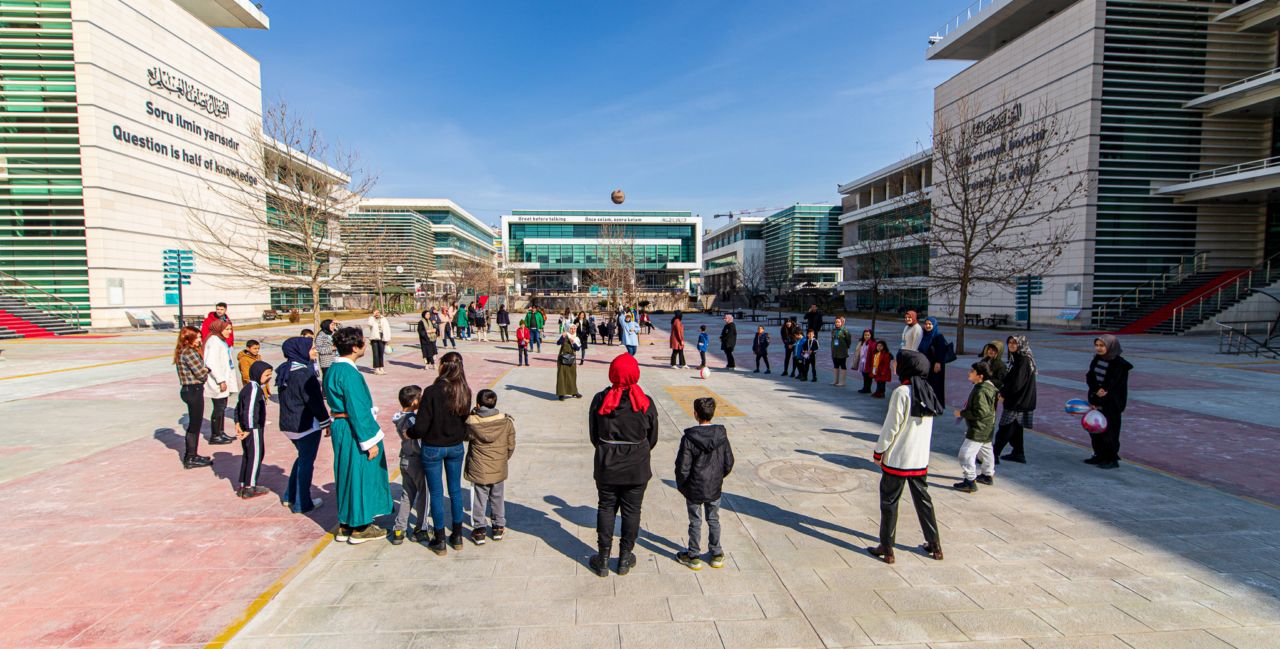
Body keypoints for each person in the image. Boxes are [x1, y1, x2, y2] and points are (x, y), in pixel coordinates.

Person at [868, 350, 944, 564]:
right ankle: (934, 544)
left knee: (889, 501)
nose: (894, 364)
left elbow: (890, 427)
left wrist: (879, 451)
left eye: (896, 362)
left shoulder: (902, 392)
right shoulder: (927, 390)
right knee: (923, 501)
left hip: (899, 459)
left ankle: (887, 546)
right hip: (919, 459)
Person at [588, 353, 659, 577]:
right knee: (632, 511)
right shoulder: (644, 402)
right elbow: (652, 438)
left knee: (606, 507)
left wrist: (609, 449)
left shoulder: (600, 399)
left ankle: (603, 558)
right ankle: (625, 558)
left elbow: (594, 435)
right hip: (636, 466)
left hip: (607, 465)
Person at [324, 327, 393, 545]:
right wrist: (370, 441)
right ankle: (361, 525)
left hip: (342, 425)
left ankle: (347, 522)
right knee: (360, 475)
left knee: (346, 474)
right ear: (355, 347)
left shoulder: (334, 369)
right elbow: (357, 409)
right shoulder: (349, 374)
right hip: (354, 428)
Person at [410, 351, 472, 555]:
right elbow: (464, 421)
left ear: (444, 366)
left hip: (433, 447)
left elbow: (420, 427)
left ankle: (439, 538)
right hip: (455, 446)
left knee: (436, 492)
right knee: (455, 491)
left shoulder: (432, 391)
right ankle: (457, 535)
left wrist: (408, 432)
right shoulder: (464, 391)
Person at [674, 397, 734, 571]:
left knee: (695, 521)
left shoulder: (689, 438)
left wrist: (683, 485)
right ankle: (716, 553)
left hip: (694, 487)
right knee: (714, 519)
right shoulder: (721, 436)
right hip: (714, 487)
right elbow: (729, 462)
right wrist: (718, 477)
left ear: (695, 414)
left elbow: (682, 467)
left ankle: (694, 555)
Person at [276, 336, 330, 514]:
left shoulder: (286, 370)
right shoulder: (305, 374)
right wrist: (325, 422)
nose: (315, 351)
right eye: (312, 348)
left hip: (288, 424)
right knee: (306, 463)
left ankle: (289, 496)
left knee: (302, 458)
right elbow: (314, 401)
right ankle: (302, 503)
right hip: (304, 425)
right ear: (300, 351)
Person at [464, 389, 516, 545]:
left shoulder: (471, 423)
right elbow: (511, 445)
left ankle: (479, 529)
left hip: (479, 466)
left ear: (478, 404)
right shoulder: (506, 422)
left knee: (479, 498)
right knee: (498, 496)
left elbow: (465, 437)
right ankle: (498, 526)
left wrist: (473, 413)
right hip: (498, 465)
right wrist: (503, 459)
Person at [1086, 334, 1131, 470]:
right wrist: (1095, 391)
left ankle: (1111, 458)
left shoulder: (1119, 364)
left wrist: (1102, 392)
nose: (1099, 348)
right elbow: (1090, 376)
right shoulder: (1097, 359)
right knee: (1095, 430)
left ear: (1111, 346)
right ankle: (1099, 455)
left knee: (1110, 431)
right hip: (1097, 399)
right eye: (1097, 345)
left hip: (1112, 403)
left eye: (1102, 345)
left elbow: (1113, 383)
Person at [389, 385, 427, 545]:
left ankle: (399, 528)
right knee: (424, 494)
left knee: (407, 494)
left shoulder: (399, 417)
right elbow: (417, 440)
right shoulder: (412, 420)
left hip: (404, 458)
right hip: (415, 459)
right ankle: (421, 527)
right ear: (414, 402)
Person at [953, 361, 998, 493]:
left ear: (980, 376)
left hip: (979, 428)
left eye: (972, 371)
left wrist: (961, 413)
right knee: (986, 450)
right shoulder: (988, 387)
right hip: (988, 426)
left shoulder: (981, 391)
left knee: (965, 454)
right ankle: (987, 475)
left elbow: (980, 412)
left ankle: (970, 481)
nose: (969, 373)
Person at [993, 335, 1037, 464]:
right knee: (1016, 427)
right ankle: (1018, 453)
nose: (1011, 345)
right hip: (1020, 399)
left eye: (1014, 343)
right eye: (1009, 343)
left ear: (1021, 345)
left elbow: (1017, 383)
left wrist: (1004, 394)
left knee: (1005, 427)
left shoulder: (1023, 360)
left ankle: (993, 455)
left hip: (1018, 400)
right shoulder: (1016, 359)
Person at [174, 326, 213, 469]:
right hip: (193, 389)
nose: (199, 340)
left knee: (195, 423)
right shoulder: (189, 352)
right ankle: (190, 457)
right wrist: (207, 370)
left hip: (189, 390)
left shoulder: (183, 351)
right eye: (197, 338)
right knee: (195, 425)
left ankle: (193, 454)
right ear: (188, 338)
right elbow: (201, 374)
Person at [233, 360, 273, 499]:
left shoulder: (248, 388)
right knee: (255, 455)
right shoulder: (254, 389)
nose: (269, 377)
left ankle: (244, 483)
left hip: (248, 427)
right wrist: (250, 428)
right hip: (253, 428)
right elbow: (249, 410)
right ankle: (250, 486)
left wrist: (237, 422)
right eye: (266, 374)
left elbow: (238, 407)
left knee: (248, 455)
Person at [202, 320, 238, 446]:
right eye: (227, 329)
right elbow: (211, 363)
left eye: (230, 329)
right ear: (219, 329)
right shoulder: (214, 341)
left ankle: (220, 432)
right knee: (218, 408)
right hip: (217, 381)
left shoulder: (220, 340)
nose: (230, 332)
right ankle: (215, 435)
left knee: (221, 407)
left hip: (223, 379)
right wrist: (220, 380)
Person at [917, 317, 953, 406]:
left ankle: (936, 405)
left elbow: (941, 350)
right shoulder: (923, 335)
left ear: (934, 325)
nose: (928, 326)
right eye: (926, 324)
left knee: (935, 385)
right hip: (925, 364)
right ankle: (926, 403)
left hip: (935, 365)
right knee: (925, 384)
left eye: (930, 324)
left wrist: (938, 362)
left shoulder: (938, 336)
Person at [556, 326, 583, 400]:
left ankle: (574, 392)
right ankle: (561, 394)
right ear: (568, 329)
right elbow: (558, 343)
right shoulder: (565, 335)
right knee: (562, 376)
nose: (573, 330)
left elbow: (577, 348)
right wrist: (562, 337)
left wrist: (573, 342)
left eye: (574, 329)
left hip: (571, 359)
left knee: (572, 376)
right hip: (563, 359)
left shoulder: (576, 338)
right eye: (571, 328)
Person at [367, 309, 392, 375]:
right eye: (375, 312)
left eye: (378, 312)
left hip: (382, 337)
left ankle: (381, 367)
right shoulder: (371, 319)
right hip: (374, 338)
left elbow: (387, 329)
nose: (377, 313)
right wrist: (373, 316)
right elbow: (369, 324)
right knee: (375, 354)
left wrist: (388, 339)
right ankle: (376, 369)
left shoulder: (383, 319)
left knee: (381, 353)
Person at [830, 316, 852, 387]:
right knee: (835, 365)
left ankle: (842, 382)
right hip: (834, 351)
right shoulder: (833, 330)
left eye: (838, 322)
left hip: (842, 351)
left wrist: (846, 348)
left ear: (842, 323)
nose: (837, 323)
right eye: (836, 322)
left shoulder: (845, 331)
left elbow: (848, 341)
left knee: (843, 365)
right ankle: (836, 380)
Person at [854, 329, 875, 394]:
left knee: (868, 376)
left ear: (871, 335)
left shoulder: (872, 343)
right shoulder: (863, 343)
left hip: (868, 362)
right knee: (864, 375)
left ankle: (867, 388)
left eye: (868, 335)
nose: (866, 336)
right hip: (862, 362)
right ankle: (865, 388)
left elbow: (873, 354)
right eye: (865, 335)